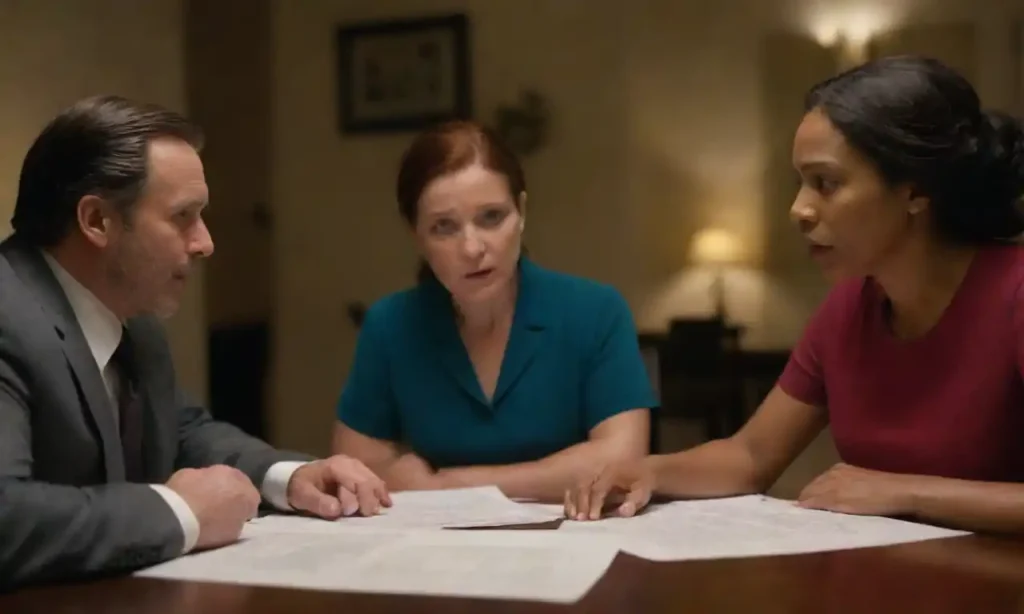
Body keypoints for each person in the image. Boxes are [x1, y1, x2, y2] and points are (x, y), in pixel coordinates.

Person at [566, 56, 1024, 534]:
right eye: (800, 183)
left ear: (915, 191)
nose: (799, 210)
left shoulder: (1013, 294)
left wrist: (904, 490)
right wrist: (650, 471)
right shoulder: (848, 308)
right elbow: (749, 455)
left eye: (826, 183)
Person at [0, 95, 391, 589]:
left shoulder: (133, 321)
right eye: (183, 216)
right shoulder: (7, 316)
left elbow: (181, 432)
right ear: (97, 221)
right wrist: (179, 511)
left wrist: (288, 476)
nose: (205, 243)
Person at [332, 120, 654, 502]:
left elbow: (622, 462)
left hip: (571, 541)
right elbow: (353, 465)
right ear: (416, 235)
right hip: (435, 552)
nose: (472, 248)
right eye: (444, 227)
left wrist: (447, 485)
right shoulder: (391, 324)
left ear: (521, 211)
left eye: (491, 217)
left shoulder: (596, 312)